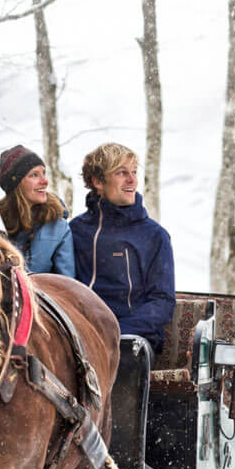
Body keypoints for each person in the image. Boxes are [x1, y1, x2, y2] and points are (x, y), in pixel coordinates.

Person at [69, 142, 175, 359]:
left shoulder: (154, 236)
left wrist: (116, 331)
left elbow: (162, 302)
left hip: (131, 340)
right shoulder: (75, 230)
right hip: (80, 334)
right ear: (98, 181)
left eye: (134, 172)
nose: (132, 180)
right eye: (122, 173)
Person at [0, 145, 74, 277]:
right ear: (16, 183)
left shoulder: (57, 227)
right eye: (34, 175)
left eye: (43, 173)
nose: (45, 181)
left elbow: (67, 286)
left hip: (41, 296)